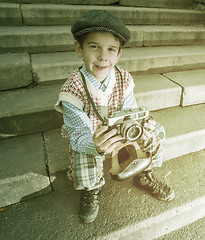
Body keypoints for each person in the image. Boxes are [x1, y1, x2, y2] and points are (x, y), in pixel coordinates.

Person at [55, 10, 174, 224]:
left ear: (118, 54)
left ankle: (143, 172)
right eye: (94, 47)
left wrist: (142, 126)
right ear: (78, 49)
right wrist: (98, 146)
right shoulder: (72, 90)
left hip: (121, 133)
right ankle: (91, 188)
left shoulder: (123, 78)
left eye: (111, 49)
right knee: (84, 152)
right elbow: (80, 135)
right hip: (92, 137)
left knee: (156, 131)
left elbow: (130, 110)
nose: (103, 56)